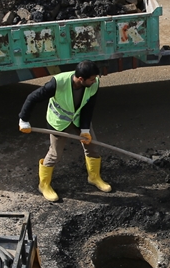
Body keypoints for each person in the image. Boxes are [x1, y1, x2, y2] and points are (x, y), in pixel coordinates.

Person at [19, 61, 111, 202]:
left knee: (92, 146)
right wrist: (23, 120)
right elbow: (32, 98)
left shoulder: (94, 84)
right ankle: (44, 185)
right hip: (59, 121)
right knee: (55, 153)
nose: (95, 81)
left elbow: (88, 107)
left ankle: (94, 177)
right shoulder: (58, 82)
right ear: (81, 79)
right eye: (91, 79)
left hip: (79, 118)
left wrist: (85, 129)